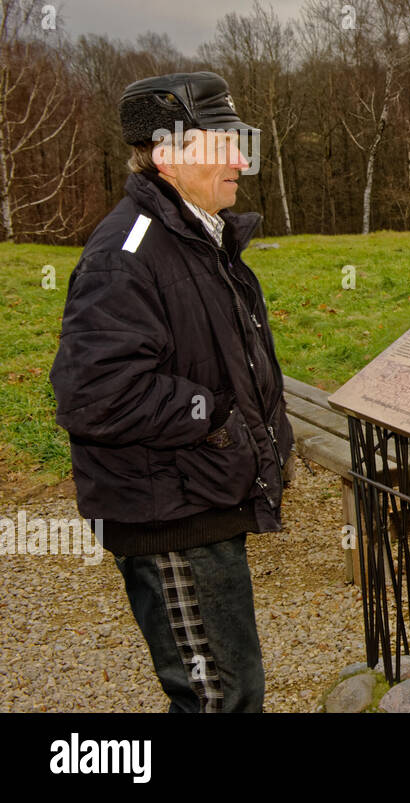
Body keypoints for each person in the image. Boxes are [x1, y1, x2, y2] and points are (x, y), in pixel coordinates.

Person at [49, 71, 296, 713]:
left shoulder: (197, 236)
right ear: (167, 154)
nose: (240, 159)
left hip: (200, 496)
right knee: (219, 698)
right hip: (171, 517)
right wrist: (215, 418)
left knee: (224, 691)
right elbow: (93, 392)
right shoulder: (128, 251)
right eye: (222, 142)